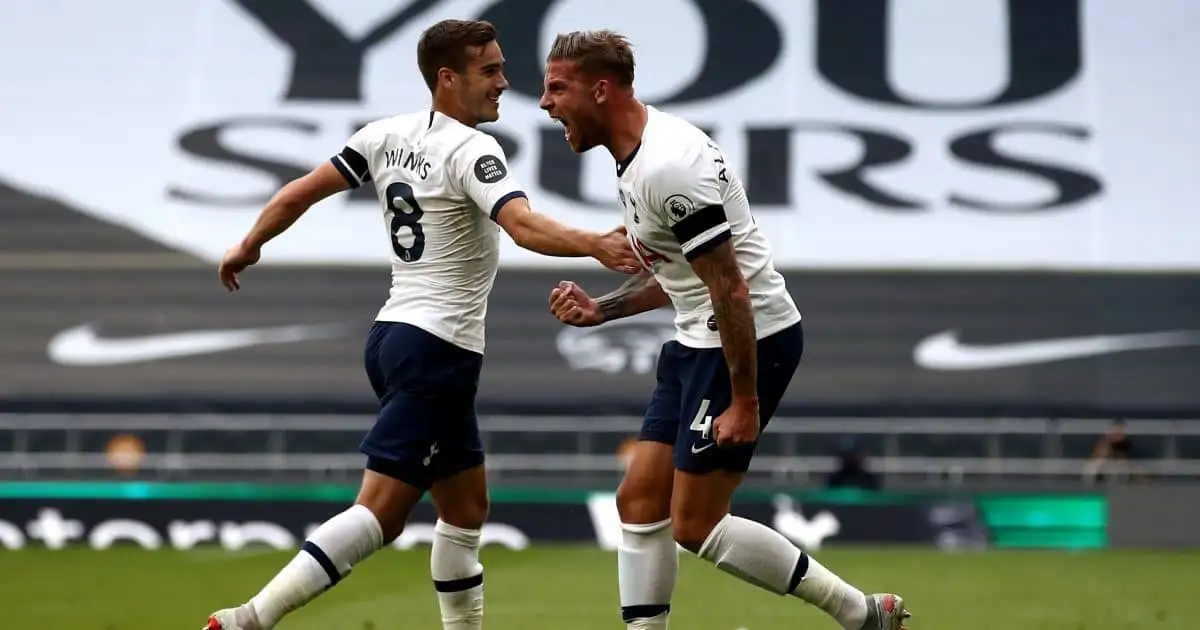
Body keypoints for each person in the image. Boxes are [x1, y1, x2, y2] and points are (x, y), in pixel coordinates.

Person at [203, 19, 638, 630]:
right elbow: (523, 225)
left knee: (465, 509)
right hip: (439, 349)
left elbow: (296, 194)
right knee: (380, 513)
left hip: (394, 338)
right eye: (489, 71)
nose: (503, 84)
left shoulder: (383, 136)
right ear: (447, 78)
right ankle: (250, 618)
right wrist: (594, 242)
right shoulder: (473, 149)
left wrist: (248, 244)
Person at [542, 30, 911, 630]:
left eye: (557, 87)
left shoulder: (666, 166)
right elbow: (685, 275)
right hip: (697, 338)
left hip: (748, 340)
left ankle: (860, 612)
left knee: (695, 524)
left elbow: (732, 287)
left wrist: (745, 402)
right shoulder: (639, 155)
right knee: (638, 501)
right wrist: (601, 310)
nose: (545, 102)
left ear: (601, 89)